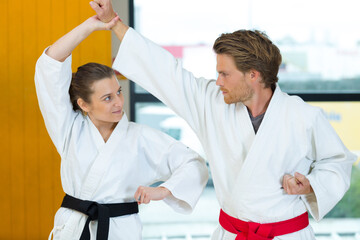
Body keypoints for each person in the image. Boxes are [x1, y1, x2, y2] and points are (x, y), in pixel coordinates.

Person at [89, 1, 358, 239]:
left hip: (287, 235)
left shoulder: (304, 116)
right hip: (232, 233)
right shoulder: (213, 103)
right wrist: (115, 24)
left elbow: (337, 162)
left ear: (253, 75)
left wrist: (311, 183)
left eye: (225, 74)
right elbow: (166, 72)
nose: (217, 81)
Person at [34, 14, 208, 240]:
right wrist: (90, 26)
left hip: (120, 231)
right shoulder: (69, 128)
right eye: (107, 98)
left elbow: (194, 163)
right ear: (84, 104)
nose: (118, 102)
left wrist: (164, 190)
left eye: (118, 92)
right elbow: (49, 66)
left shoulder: (140, 138)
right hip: (73, 230)